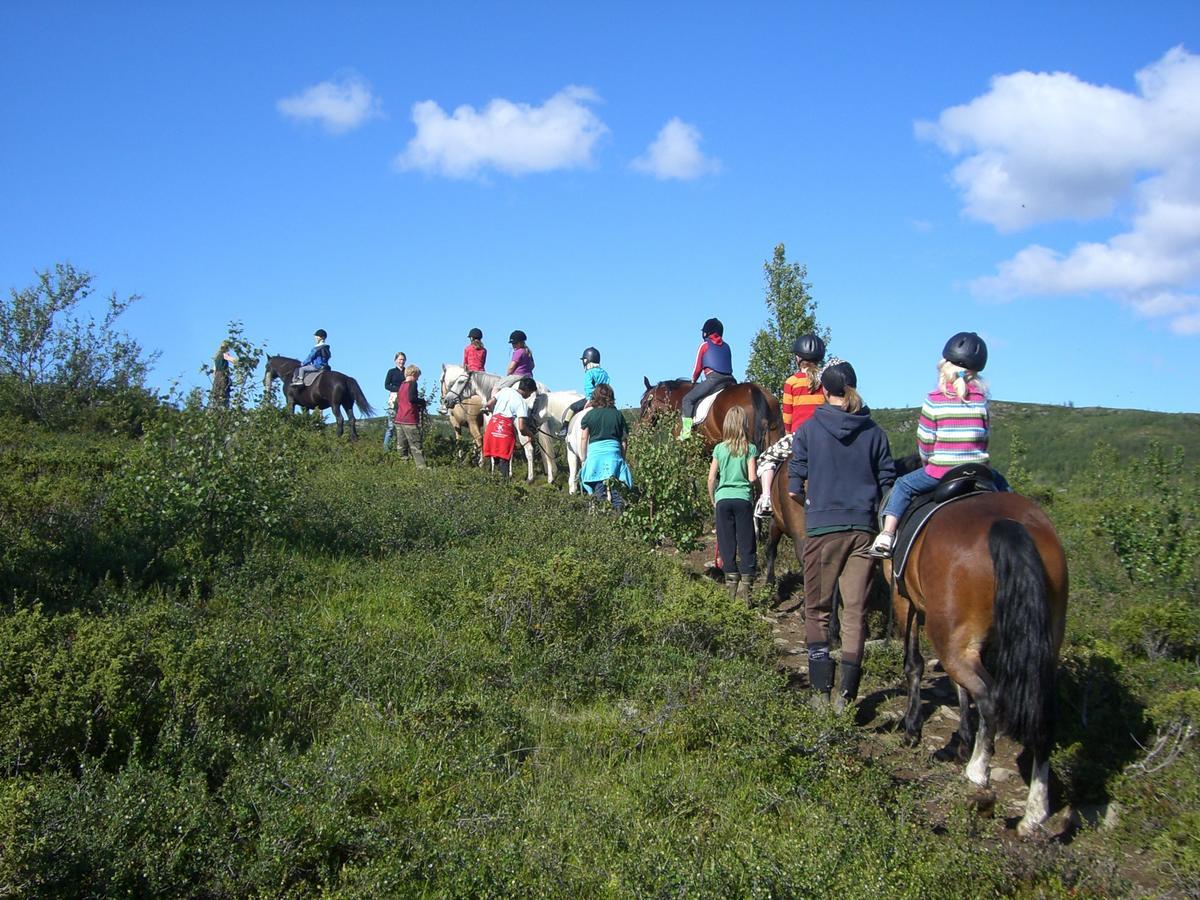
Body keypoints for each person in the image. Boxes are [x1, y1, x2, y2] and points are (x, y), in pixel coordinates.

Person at [788, 361, 896, 710]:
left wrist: (809, 500)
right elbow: (888, 485)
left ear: (824, 390)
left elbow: (793, 487)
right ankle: (847, 697)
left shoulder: (809, 431)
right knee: (855, 612)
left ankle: (821, 691)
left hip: (822, 529)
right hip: (863, 530)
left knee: (818, 609)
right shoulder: (875, 433)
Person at [870, 331, 1008, 559]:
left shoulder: (934, 399)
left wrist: (928, 462)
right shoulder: (981, 401)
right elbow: (985, 438)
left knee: (903, 486)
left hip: (941, 472)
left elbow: (924, 441)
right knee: (1006, 490)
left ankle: (886, 534)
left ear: (945, 366)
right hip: (979, 471)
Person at [754, 334, 826, 517]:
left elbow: (787, 417)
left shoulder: (791, 382)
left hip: (799, 437)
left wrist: (789, 434)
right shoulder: (826, 380)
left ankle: (766, 499)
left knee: (765, 458)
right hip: (825, 436)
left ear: (798, 358)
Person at [707, 405, 759, 600]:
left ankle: (731, 589)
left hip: (723, 500)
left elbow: (711, 479)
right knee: (746, 544)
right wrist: (760, 492)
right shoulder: (750, 448)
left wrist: (714, 499)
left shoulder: (719, 449)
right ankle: (746, 591)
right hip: (743, 498)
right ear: (744, 424)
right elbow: (753, 478)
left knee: (727, 544)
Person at [579, 383, 631, 511]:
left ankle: (601, 522)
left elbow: (584, 438)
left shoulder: (589, 415)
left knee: (598, 491)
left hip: (595, 457)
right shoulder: (618, 415)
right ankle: (619, 518)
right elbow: (624, 441)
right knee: (616, 494)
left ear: (595, 397)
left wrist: (583, 458)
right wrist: (622, 459)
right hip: (614, 455)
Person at [680, 318, 734, 440]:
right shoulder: (727, 346)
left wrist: (693, 380)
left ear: (706, 333)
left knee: (687, 400)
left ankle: (686, 432)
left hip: (713, 380)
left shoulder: (704, 345)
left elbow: (697, 368)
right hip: (730, 380)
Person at [483, 375, 538, 477]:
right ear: (527, 390)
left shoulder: (505, 390)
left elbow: (489, 404)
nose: (529, 396)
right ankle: (504, 488)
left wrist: (491, 411)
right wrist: (531, 435)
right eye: (530, 393)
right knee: (504, 462)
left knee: (494, 459)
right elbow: (521, 427)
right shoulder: (521, 403)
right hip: (505, 430)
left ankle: (492, 485)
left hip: (492, 426)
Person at [558, 347, 610, 437]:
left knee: (572, 407)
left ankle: (564, 429)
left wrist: (590, 400)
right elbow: (608, 386)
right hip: (606, 400)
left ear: (586, 360)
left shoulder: (589, 373)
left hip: (593, 398)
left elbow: (588, 388)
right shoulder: (605, 373)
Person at [392, 364, 427, 468]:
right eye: (417, 376)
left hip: (399, 419)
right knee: (415, 445)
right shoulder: (412, 384)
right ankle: (422, 468)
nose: (418, 379)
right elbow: (412, 398)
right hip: (409, 419)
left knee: (401, 446)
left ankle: (403, 467)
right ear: (414, 374)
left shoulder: (402, 385)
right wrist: (422, 401)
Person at [382, 351, 407, 450]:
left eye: (403, 359)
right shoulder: (391, 372)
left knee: (404, 426)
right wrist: (398, 389)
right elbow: (386, 385)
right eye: (400, 359)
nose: (402, 361)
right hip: (394, 399)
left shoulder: (407, 371)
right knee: (391, 426)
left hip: (405, 399)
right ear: (396, 360)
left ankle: (402, 449)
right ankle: (386, 449)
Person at [210, 340, 235, 409]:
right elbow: (233, 360)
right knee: (224, 395)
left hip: (216, 379)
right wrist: (241, 362)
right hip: (223, 376)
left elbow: (214, 372)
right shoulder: (224, 354)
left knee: (216, 396)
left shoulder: (216, 356)